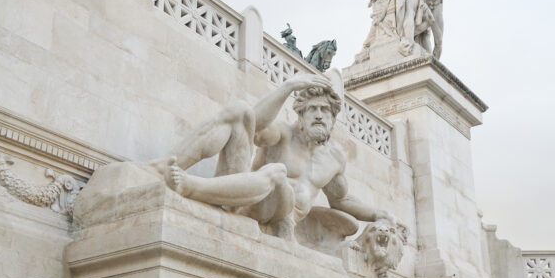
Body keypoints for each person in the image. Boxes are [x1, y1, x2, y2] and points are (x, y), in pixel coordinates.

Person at [156, 73, 391, 240]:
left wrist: (376, 213)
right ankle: (160, 167)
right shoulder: (283, 134)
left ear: (332, 120)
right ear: (300, 115)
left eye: (325, 111)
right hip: (243, 196)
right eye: (313, 109)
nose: (319, 115)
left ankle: (191, 186)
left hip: (279, 214)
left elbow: (340, 200)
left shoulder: (335, 158)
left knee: (277, 173)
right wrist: (287, 87)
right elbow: (254, 123)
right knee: (239, 110)